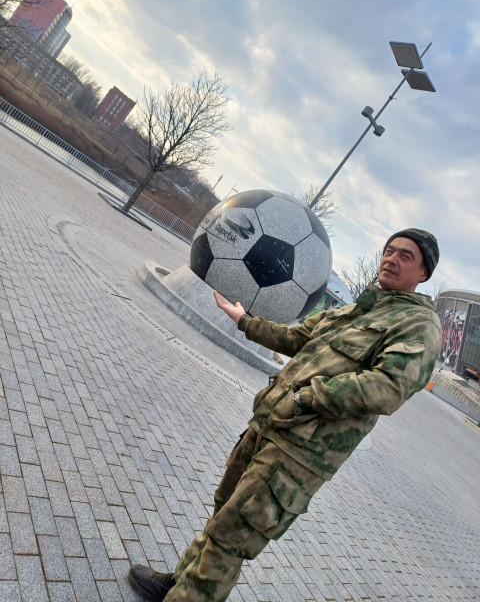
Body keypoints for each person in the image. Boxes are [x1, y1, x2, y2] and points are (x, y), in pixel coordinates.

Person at [128, 228, 442, 602]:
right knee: (224, 513)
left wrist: (307, 398)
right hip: (270, 425)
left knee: (235, 532)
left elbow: (387, 388)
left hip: (301, 453)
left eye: (406, 256)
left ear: (423, 273)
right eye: (389, 251)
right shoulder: (357, 309)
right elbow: (295, 339)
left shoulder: (419, 326)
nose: (391, 259)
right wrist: (244, 320)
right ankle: (180, 585)